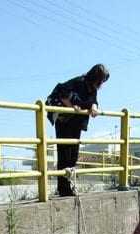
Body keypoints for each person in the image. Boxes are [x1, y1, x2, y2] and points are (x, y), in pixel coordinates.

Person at [47, 64, 110, 196]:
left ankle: (68, 186)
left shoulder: (93, 89)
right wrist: (72, 106)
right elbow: (62, 92)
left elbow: (93, 101)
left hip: (75, 122)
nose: (102, 85)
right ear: (96, 78)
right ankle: (63, 189)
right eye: (101, 81)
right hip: (64, 121)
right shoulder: (79, 82)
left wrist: (94, 106)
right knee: (64, 153)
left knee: (73, 155)